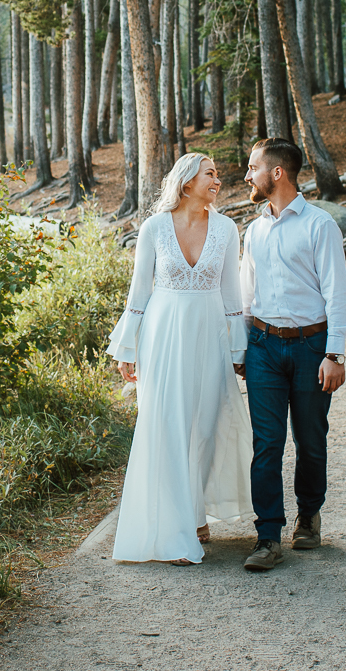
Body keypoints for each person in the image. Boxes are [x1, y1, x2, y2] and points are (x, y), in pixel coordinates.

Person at [107, 152, 252, 564]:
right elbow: (138, 294)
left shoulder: (227, 229)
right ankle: (174, 529)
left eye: (218, 175)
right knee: (166, 424)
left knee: (205, 426)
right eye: (210, 174)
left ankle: (194, 511)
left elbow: (231, 298)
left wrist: (238, 349)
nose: (218, 181)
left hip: (208, 335)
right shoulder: (153, 227)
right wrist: (127, 349)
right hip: (162, 335)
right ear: (187, 182)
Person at [237, 137, 346, 572]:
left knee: (310, 440)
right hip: (264, 347)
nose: (248, 176)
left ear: (277, 173)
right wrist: (241, 348)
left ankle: (308, 515)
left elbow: (336, 293)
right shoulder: (255, 229)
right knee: (266, 444)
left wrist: (335, 355)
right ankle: (267, 535)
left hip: (310, 347)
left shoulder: (319, 225)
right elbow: (246, 297)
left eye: (253, 168)